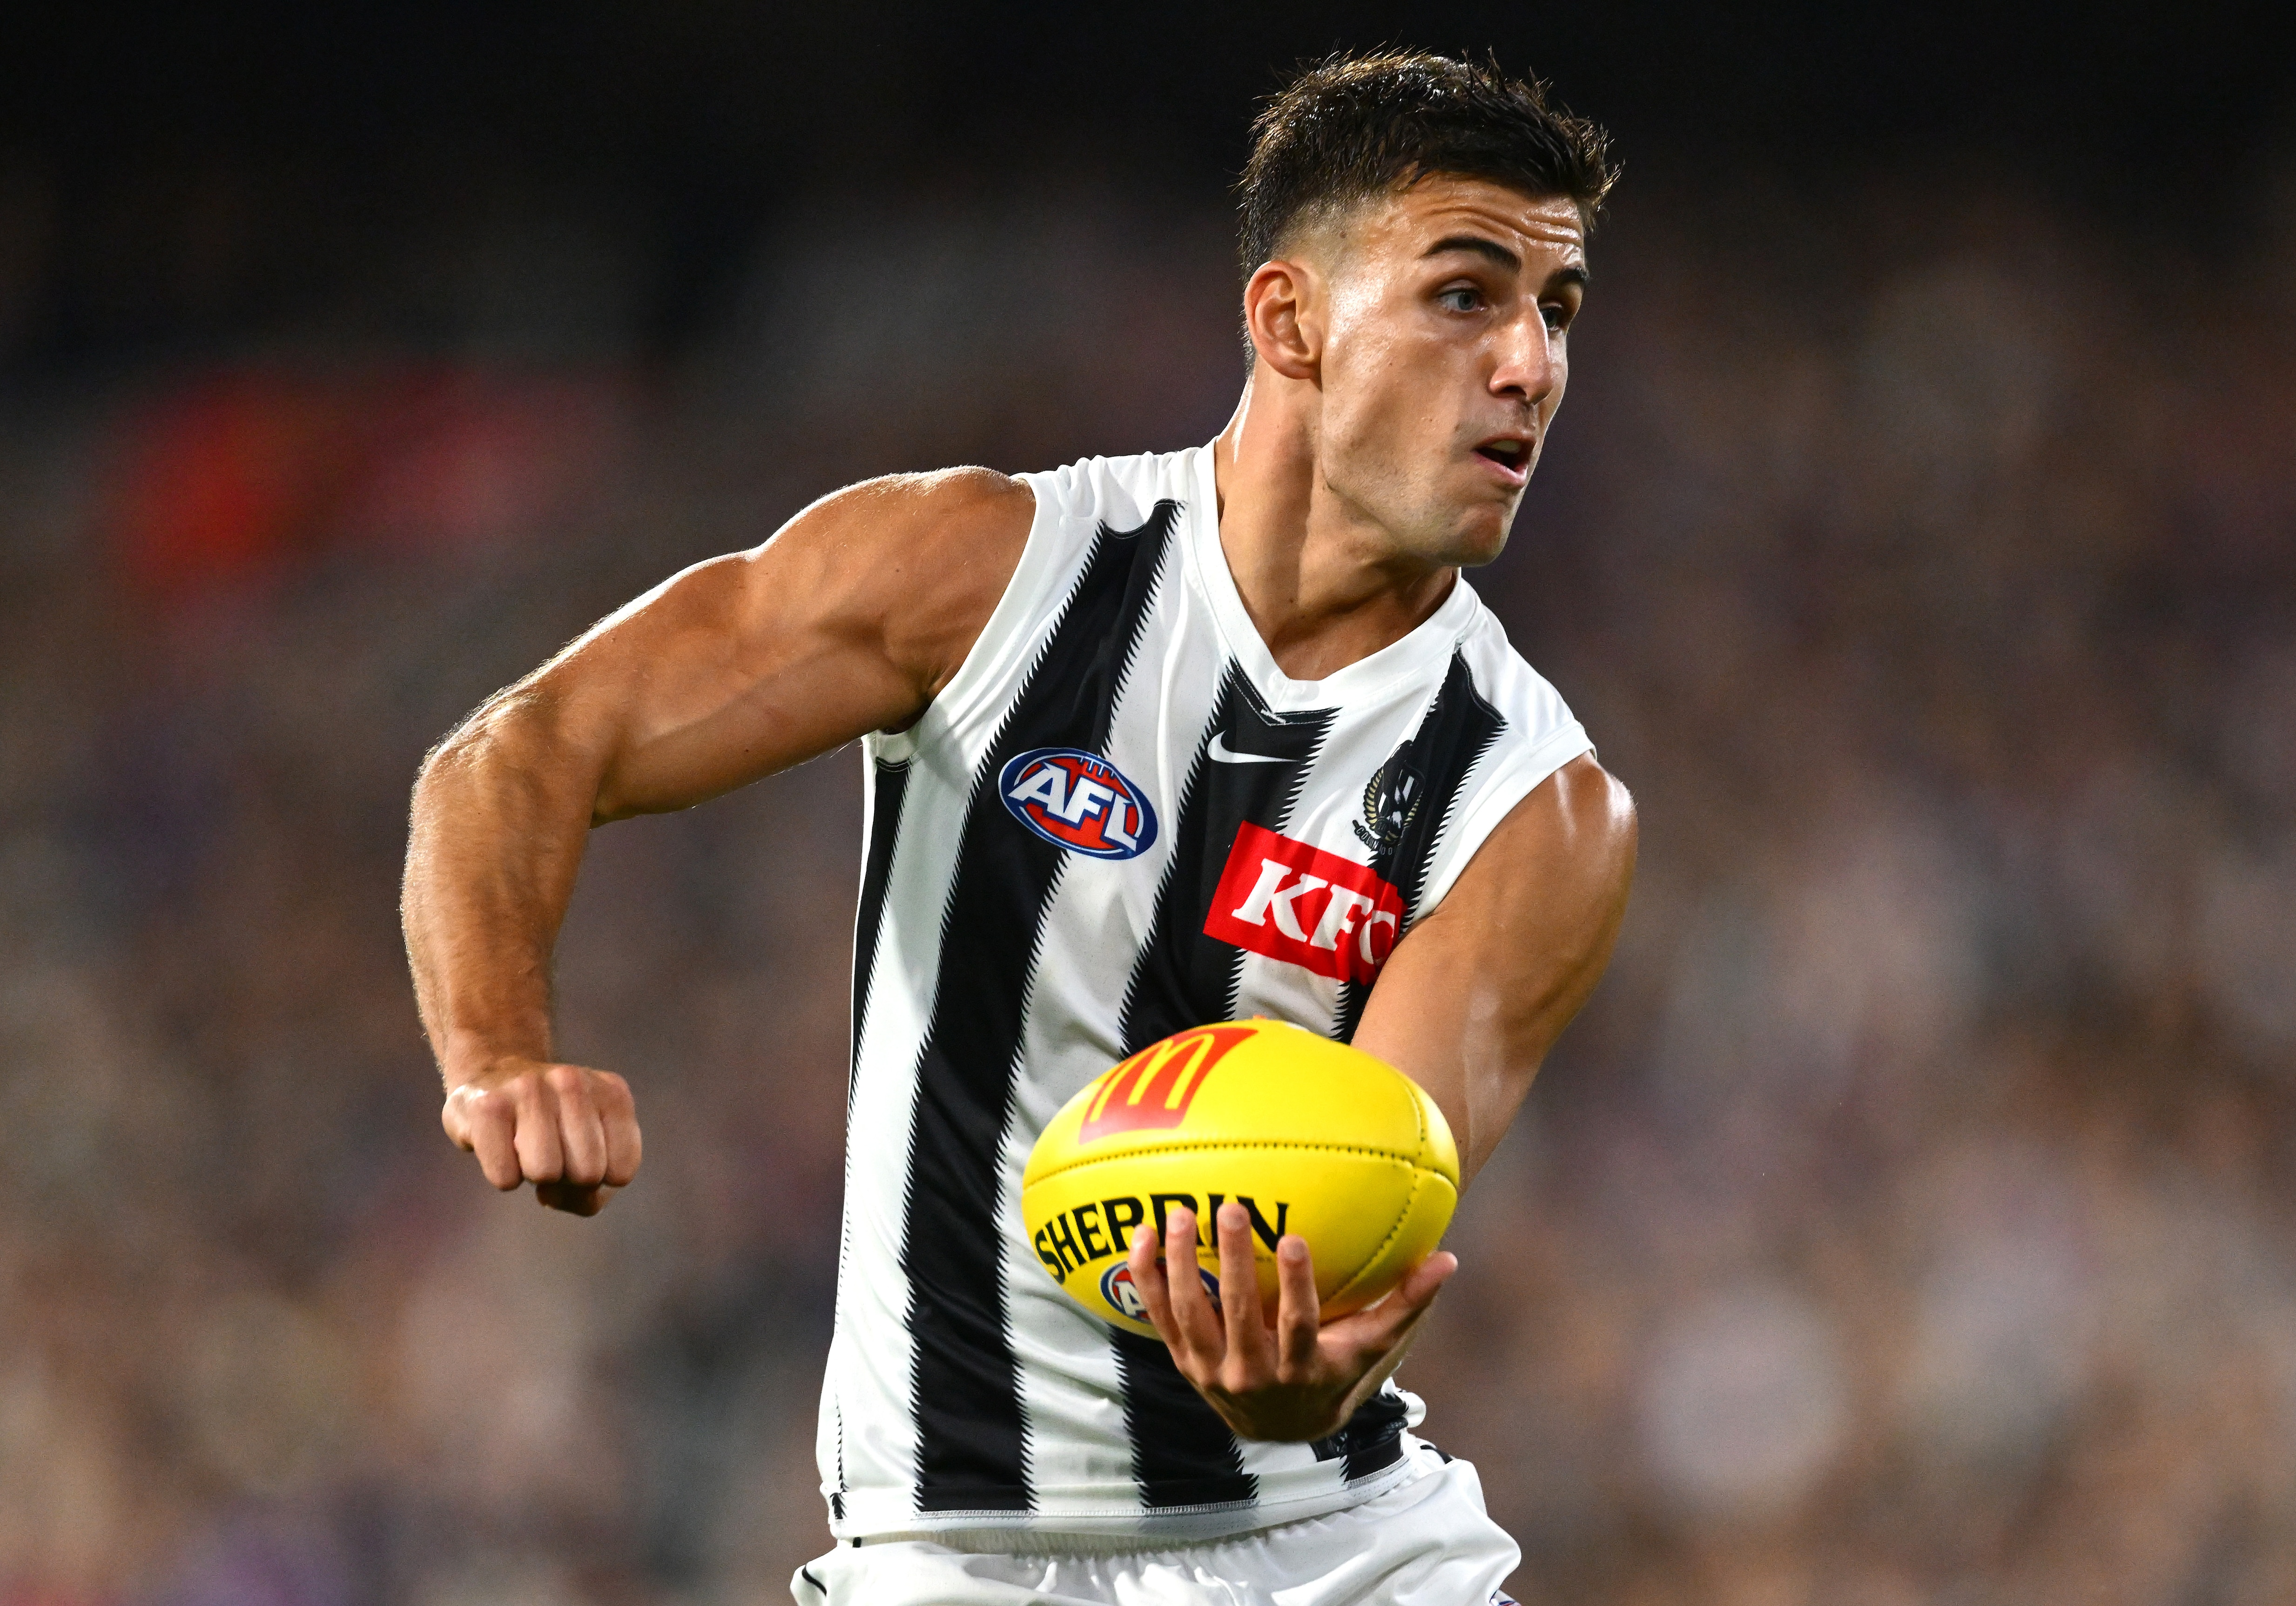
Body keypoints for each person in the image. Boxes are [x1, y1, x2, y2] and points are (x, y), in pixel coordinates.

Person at [402, 49, 1636, 1606]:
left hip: (1341, 1559)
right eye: (1467, 296)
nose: (1531, 363)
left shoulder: (1534, 803)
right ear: (1290, 322)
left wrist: (1303, 1377)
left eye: (1557, 310)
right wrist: (498, 1052)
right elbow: (523, 749)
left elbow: (1366, 1216)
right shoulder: (986, 573)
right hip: (949, 1558)